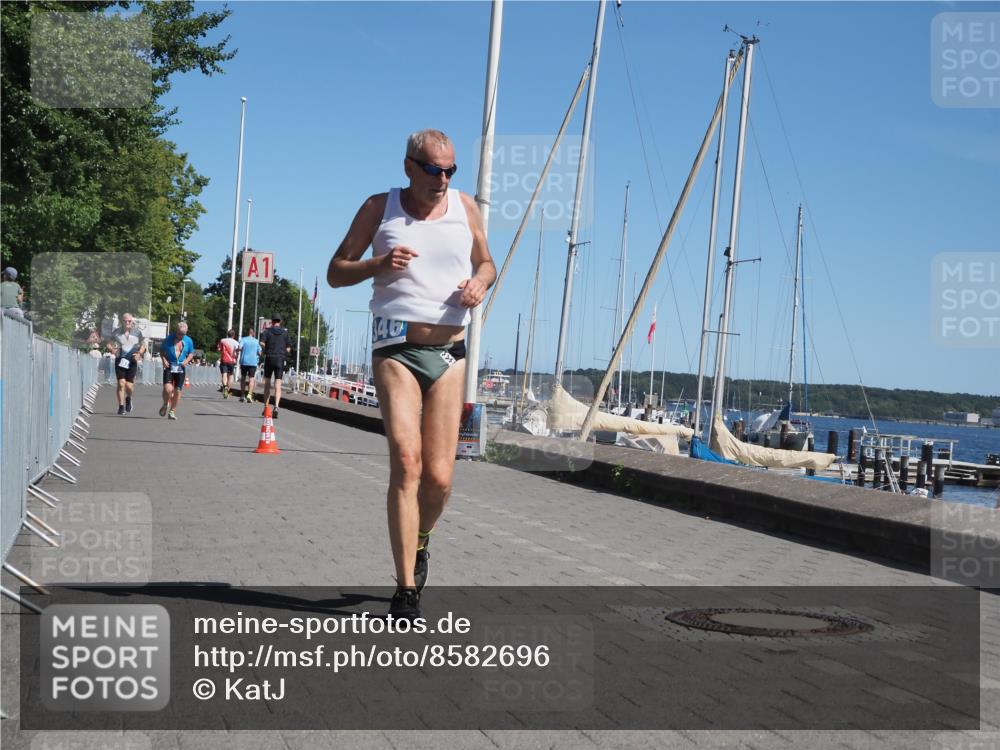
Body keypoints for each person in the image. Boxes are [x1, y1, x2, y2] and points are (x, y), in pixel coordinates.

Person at [327, 128, 495, 618]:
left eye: (450, 170)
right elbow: (337, 271)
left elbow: (487, 262)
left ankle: (422, 539)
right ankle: (405, 590)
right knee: (407, 461)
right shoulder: (380, 207)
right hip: (395, 347)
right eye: (433, 169)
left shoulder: (466, 208)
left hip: (449, 352)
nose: (442, 178)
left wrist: (479, 283)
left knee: (439, 479)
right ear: (409, 167)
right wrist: (380, 262)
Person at [111, 314, 146, 415]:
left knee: (129, 386)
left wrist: (139, 353)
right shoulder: (116, 332)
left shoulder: (137, 332)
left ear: (132, 321)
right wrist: (112, 349)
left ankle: (128, 398)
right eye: (125, 321)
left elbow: (143, 345)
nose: (128, 323)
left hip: (132, 361)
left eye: (129, 321)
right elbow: (109, 342)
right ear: (122, 321)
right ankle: (121, 406)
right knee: (121, 383)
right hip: (120, 360)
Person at [159, 320, 194, 420]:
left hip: (180, 368)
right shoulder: (169, 339)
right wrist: (163, 359)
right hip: (169, 366)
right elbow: (161, 350)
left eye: (182, 334)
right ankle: (166, 404)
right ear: (176, 331)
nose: (180, 336)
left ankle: (172, 411)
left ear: (185, 333)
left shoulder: (188, 340)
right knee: (168, 389)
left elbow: (191, 354)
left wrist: (186, 361)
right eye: (179, 333)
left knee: (177, 391)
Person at [259, 316, 290, 418]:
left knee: (267, 383)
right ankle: (276, 406)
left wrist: (266, 347)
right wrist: (283, 351)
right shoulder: (285, 333)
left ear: (271, 322)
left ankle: (266, 407)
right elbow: (288, 348)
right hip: (280, 359)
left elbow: (262, 343)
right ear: (280, 322)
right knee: (278, 384)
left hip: (269, 358)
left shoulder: (267, 331)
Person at [237, 327, 261, 403]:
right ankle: (249, 395)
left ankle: (242, 395)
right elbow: (260, 353)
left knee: (243, 378)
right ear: (253, 333)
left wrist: (238, 350)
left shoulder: (243, 339)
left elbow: (240, 347)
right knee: (251, 378)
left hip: (244, 361)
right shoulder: (256, 341)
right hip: (253, 362)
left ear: (248, 333)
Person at [217, 328, 239, 398]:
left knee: (224, 375)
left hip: (223, 360)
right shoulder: (236, 343)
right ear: (234, 335)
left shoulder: (222, 341)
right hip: (232, 361)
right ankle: (227, 389)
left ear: (227, 334)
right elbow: (237, 353)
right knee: (231, 375)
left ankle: (225, 387)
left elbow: (219, 349)